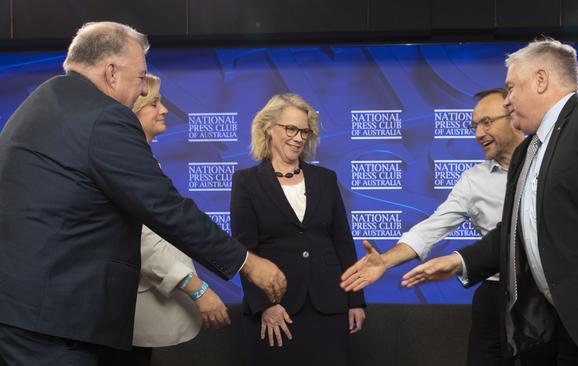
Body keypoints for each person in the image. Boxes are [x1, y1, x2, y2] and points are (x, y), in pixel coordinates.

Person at [0, 21, 285, 365]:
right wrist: (246, 262)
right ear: (111, 72)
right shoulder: (105, 116)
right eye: (140, 77)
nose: (140, 91)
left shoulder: (41, 103)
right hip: (60, 326)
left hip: (23, 314)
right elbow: (162, 206)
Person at [398, 38, 578, 365]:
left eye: (512, 88)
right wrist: (459, 262)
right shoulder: (529, 151)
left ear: (541, 80)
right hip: (568, 333)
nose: (507, 101)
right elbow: (515, 232)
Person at [341, 88, 526, 366]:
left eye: (487, 122)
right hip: (494, 296)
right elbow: (432, 228)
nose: (478, 134)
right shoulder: (473, 180)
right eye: (474, 125)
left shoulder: (550, 166)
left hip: (543, 294)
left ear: (514, 116)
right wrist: (386, 261)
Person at [97, 75, 231, 366]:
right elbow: (142, 240)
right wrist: (197, 288)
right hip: (121, 316)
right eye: (155, 103)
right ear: (134, 110)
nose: (165, 110)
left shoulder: (143, 160)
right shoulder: (125, 163)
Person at [230, 93, 366, 366]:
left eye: (304, 131)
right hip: (276, 310)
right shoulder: (246, 182)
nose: (299, 137)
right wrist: (265, 306)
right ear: (268, 128)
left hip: (329, 305)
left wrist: (355, 300)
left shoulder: (325, 179)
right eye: (291, 129)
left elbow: (342, 242)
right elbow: (244, 253)